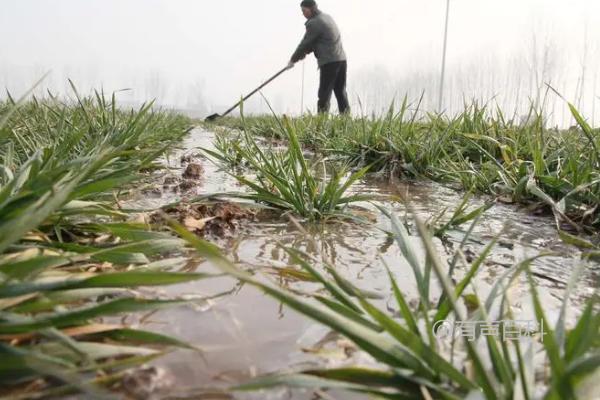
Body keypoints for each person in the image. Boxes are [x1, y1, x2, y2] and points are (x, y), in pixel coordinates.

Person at [287, 0, 350, 114]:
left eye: (304, 11)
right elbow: (320, 41)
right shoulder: (327, 17)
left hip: (329, 62)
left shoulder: (314, 23)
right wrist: (305, 53)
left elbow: (305, 43)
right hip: (341, 59)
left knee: (324, 94)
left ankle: (321, 122)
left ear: (311, 9)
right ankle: (346, 120)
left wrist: (293, 59)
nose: (303, 14)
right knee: (340, 92)